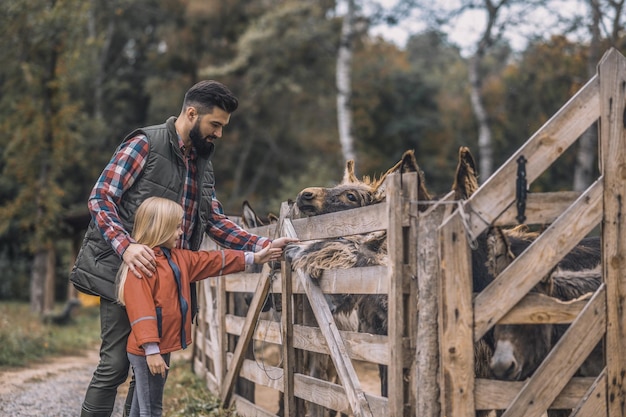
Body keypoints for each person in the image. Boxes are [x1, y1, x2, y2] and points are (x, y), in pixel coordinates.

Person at [70, 80, 297, 417]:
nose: (219, 134)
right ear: (191, 113)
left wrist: (263, 246)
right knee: (116, 365)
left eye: (222, 127)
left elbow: (214, 220)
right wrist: (127, 247)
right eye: (215, 125)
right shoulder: (145, 144)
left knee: (151, 371)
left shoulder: (202, 162)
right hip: (125, 274)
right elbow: (101, 197)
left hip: (170, 282)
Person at [118, 196, 282, 417]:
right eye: (176, 227)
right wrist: (151, 350)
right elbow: (141, 310)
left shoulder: (178, 259)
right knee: (152, 409)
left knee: (141, 407)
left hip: (159, 346)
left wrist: (254, 257)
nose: (180, 233)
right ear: (161, 228)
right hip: (148, 349)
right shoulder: (143, 266)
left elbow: (214, 260)